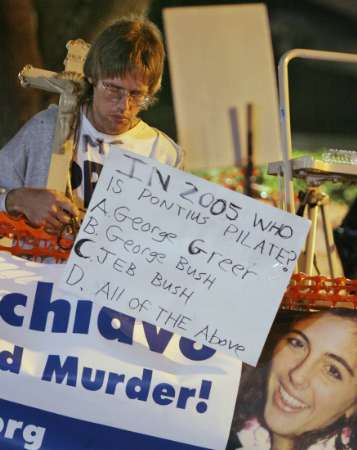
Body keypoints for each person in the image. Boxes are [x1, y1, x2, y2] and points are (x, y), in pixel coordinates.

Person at [0, 16, 183, 233]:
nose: (124, 105)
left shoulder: (163, 154)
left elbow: (171, 235)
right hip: (38, 263)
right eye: (113, 89)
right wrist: (18, 199)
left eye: (136, 94)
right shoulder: (46, 129)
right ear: (92, 79)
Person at [227, 309, 357, 450]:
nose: (297, 376)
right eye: (297, 343)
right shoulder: (224, 424)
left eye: (333, 370)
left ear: (353, 406)